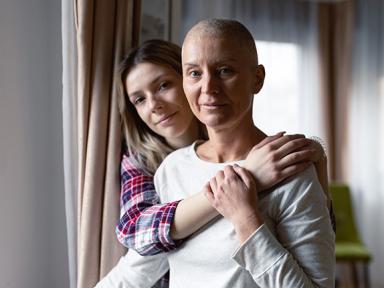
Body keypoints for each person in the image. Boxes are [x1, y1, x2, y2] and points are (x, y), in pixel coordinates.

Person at [99, 19, 335, 287]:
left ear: (256, 79)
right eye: (195, 73)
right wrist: (247, 177)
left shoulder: (288, 169)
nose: (209, 87)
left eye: (224, 70)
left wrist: (246, 219)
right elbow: (140, 259)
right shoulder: (168, 169)